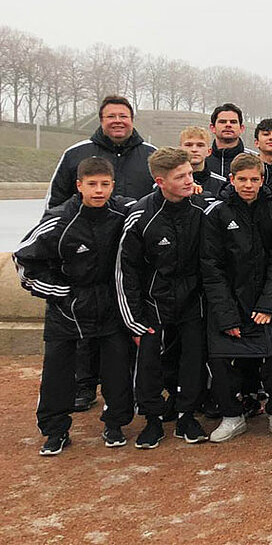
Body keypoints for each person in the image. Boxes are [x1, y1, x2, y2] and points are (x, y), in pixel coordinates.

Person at [15, 157, 135, 455]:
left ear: (112, 186)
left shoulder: (123, 212)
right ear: (79, 185)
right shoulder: (59, 219)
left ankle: (115, 423)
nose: (98, 191)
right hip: (67, 309)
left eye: (104, 185)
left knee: (117, 369)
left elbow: (154, 205)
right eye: (92, 185)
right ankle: (55, 430)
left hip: (110, 305)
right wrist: (61, 293)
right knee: (57, 371)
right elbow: (24, 260)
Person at [115, 147, 210, 448]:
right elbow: (125, 271)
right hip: (153, 303)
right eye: (180, 176)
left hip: (193, 301)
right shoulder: (140, 216)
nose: (188, 181)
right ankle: (153, 419)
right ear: (160, 181)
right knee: (149, 364)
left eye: (190, 174)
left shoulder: (201, 209)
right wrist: (133, 321)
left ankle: (186, 415)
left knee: (192, 360)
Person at [200, 154, 272, 443]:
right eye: (242, 179)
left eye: (254, 179)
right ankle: (232, 416)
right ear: (232, 179)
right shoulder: (216, 213)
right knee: (219, 360)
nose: (248, 184)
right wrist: (227, 314)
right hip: (228, 303)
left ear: (262, 180)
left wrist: (268, 304)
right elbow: (211, 267)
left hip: (268, 304)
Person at [48, 94, 157, 209]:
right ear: (101, 121)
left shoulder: (152, 155)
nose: (118, 121)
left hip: (137, 226)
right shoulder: (74, 154)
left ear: (132, 120)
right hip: (87, 226)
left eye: (123, 116)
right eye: (111, 116)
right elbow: (55, 202)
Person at [204, 103, 251, 178]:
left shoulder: (254, 160)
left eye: (233, 122)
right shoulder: (202, 159)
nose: (228, 125)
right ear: (212, 128)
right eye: (222, 122)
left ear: (241, 128)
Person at [180, 126, 227, 198]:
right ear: (180, 150)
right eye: (189, 145)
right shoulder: (167, 183)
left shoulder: (222, 185)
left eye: (200, 145)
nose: (194, 149)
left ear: (209, 151)